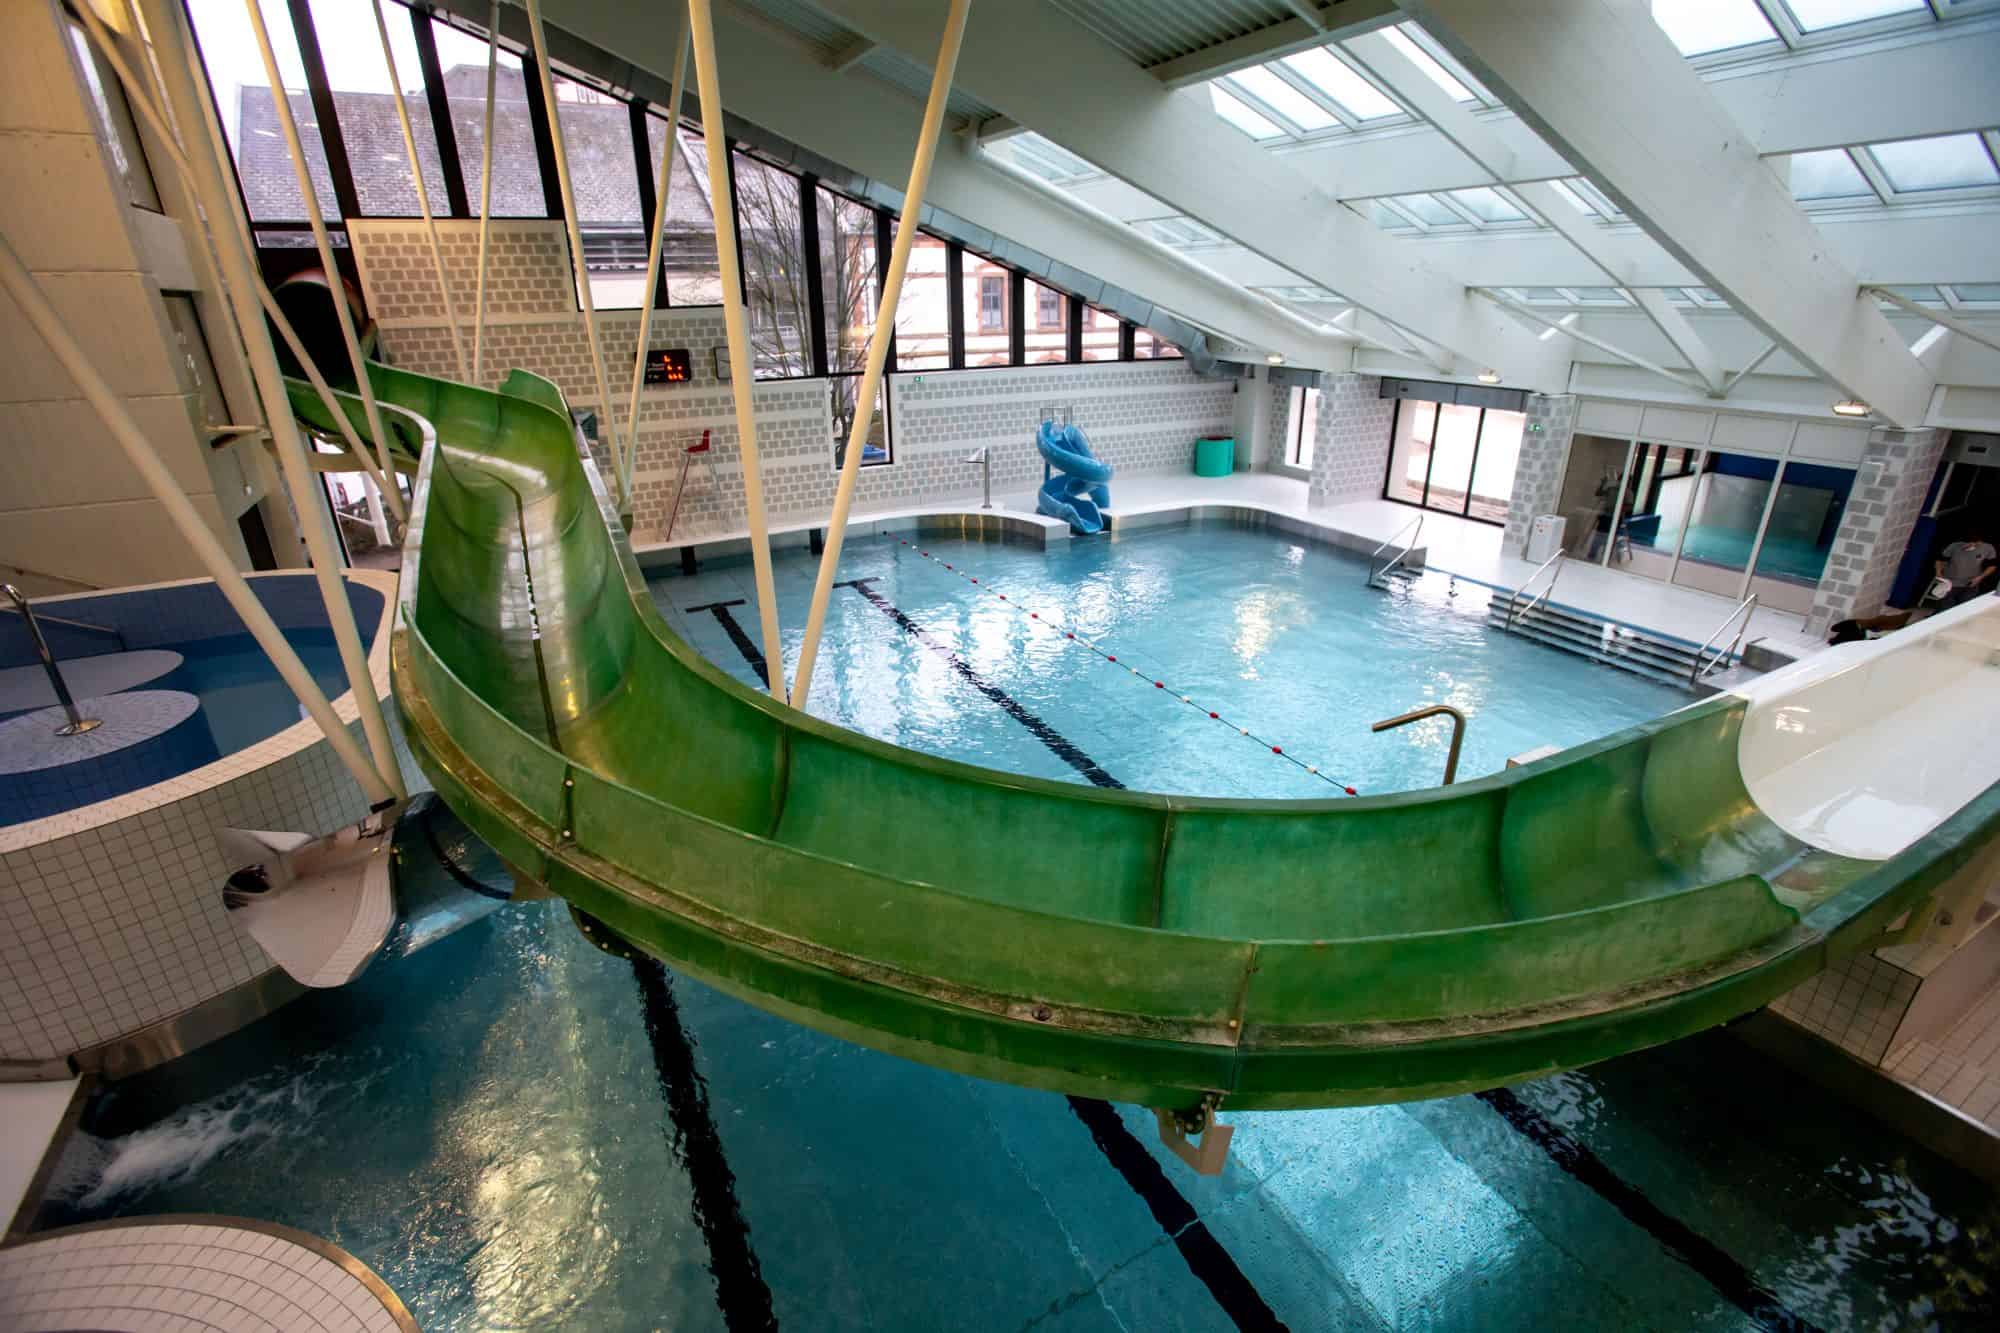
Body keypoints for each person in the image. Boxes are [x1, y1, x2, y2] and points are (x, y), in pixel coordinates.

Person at [1935, 533, 1997, 607]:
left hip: (1971, 583)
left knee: (1964, 607)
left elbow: (1993, 565)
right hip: (1950, 582)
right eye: (1968, 544)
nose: (1971, 546)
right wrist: (1938, 573)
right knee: (1945, 608)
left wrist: (1980, 578)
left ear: (1979, 542)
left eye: (1974, 544)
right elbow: (1940, 560)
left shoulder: (1988, 548)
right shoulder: (1954, 546)